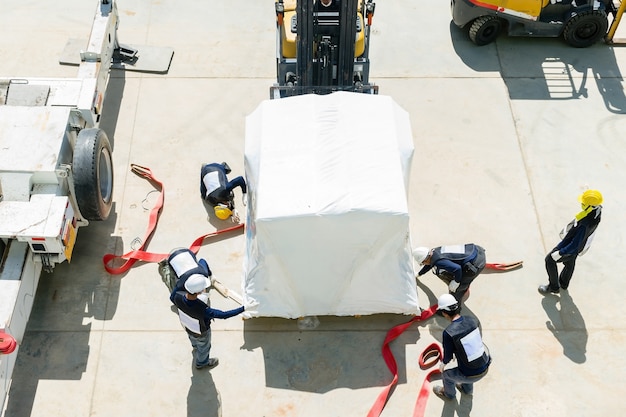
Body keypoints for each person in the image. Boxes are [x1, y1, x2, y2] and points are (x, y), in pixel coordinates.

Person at [170, 274, 246, 370]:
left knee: (193, 339)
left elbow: (173, 295)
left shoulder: (177, 296)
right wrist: (243, 308)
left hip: (187, 327)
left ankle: (195, 347)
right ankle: (202, 363)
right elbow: (224, 315)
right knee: (204, 348)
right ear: (198, 292)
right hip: (201, 333)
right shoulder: (203, 310)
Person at [538, 189, 603, 295]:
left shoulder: (585, 224)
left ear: (590, 206)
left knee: (549, 260)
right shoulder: (597, 211)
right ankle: (563, 283)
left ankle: (553, 287)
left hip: (570, 247)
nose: (582, 204)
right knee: (570, 263)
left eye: (584, 203)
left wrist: (560, 252)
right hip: (578, 247)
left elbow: (574, 243)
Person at [432, 293, 491, 401]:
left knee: (446, 375)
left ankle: (448, 394)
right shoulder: (472, 320)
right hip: (485, 364)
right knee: (468, 364)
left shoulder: (449, 333)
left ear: (444, 313)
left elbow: (447, 357)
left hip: (472, 374)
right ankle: (467, 390)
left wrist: (443, 364)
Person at [413, 244, 486, 302]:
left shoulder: (439, 261)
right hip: (476, 250)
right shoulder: (434, 252)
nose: (424, 264)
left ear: (425, 260)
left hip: (477, 262)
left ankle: (454, 308)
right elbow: (430, 264)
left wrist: (456, 282)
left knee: (457, 288)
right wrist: (419, 274)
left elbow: (457, 269)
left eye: (423, 263)